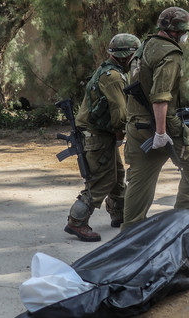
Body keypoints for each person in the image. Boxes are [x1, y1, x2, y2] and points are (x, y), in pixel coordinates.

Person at [122, 7, 189, 230]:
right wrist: (161, 133)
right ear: (177, 32)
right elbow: (160, 97)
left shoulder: (144, 47)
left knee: (140, 178)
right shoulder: (170, 54)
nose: (187, 36)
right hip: (160, 123)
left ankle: (130, 230)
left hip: (135, 124)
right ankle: (184, 214)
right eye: (186, 32)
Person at [64, 33, 141, 242]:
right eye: (134, 57)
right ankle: (76, 222)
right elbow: (120, 112)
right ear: (125, 56)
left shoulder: (110, 71)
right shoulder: (113, 77)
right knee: (100, 181)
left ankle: (119, 214)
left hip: (100, 134)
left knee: (116, 175)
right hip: (96, 136)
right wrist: (123, 132)